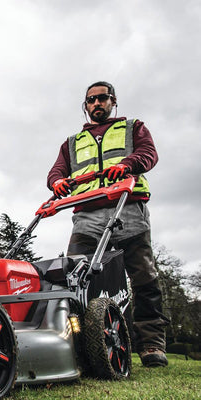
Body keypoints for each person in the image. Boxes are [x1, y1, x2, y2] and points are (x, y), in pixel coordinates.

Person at [47, 81, 170, 367]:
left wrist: (127, 165)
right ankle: (82, 344)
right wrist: (57, 182)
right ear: (86, 105)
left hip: (127, 206)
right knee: (75, 275)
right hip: (87, 214)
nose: (96, 103)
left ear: (113, 101)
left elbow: (148, 153)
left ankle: (151, 344)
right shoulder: (72, 142)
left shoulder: (132, 127)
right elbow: (57, 171)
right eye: (91, 100)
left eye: (102, 98)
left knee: (143, 276)